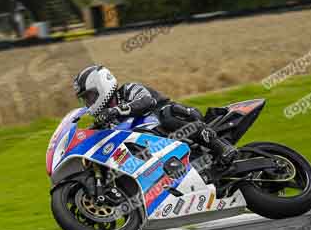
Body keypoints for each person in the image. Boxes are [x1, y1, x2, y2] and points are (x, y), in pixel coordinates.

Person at [72, 65, 238, 164]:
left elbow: (147, 101)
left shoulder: (129, 89)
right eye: (85, 99)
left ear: (102, 85)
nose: (88, 102)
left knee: (166, 114)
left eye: (90, 96)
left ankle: (221, 147)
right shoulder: (107, 118)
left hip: (181, 116)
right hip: (160, 145)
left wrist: (115, 110)